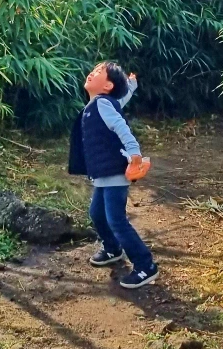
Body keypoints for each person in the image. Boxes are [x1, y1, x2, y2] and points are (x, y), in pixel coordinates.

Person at [67, 60, 158, 289]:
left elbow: (120, 125)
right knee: (97, 213)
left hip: (115, 171)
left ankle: (145, 265)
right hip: (104, 173)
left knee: (115, 219)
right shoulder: (100, 104)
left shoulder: (102, 104)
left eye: (99, 72)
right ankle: (112, 248)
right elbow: (120, 101)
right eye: (93, 70)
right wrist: (132, 86)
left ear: (107, 86)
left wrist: (134, 150)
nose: (92, 73)